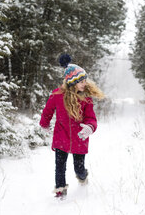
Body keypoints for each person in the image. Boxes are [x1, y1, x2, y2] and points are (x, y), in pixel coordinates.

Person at [40, 53, 104, 198]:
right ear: (72, 82)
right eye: (81, 81)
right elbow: (47, 111)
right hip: (61, 137)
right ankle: (60, 191)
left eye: (85, 80)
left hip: (79, 138)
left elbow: (91, 118)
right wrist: (44, 124)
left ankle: (83, 177)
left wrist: (89, 127)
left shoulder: (85, 98)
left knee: (78, 168)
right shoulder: (57, 95)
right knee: (60, 167)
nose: (85, 83)